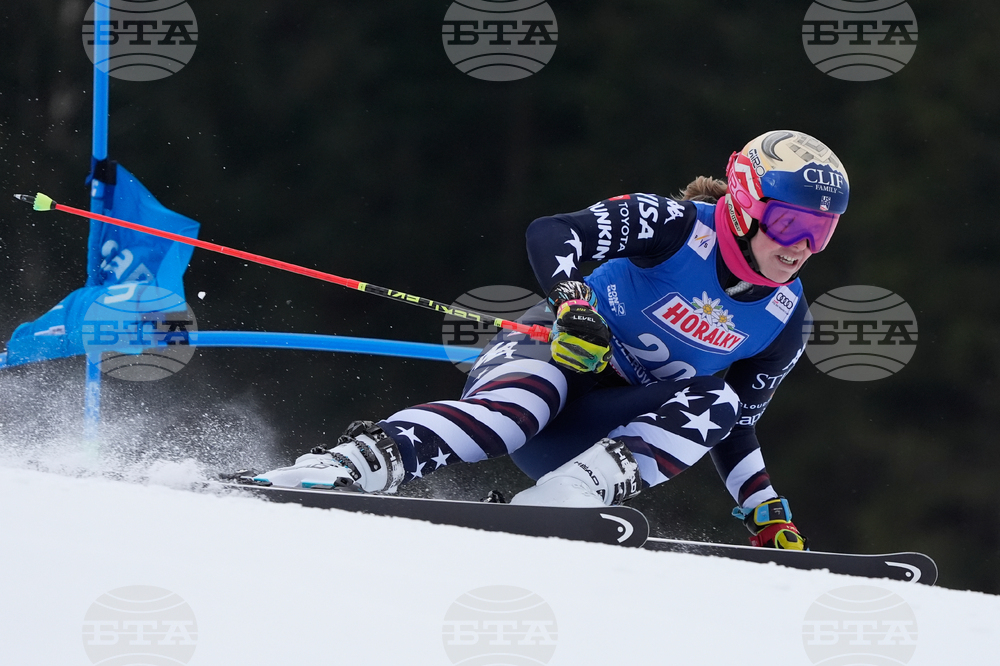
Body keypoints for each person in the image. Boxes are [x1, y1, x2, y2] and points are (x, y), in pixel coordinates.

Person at [255, 130, 850, 550]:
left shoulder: (785, 319)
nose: (800, 245)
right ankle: (349, 466)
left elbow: (733, 420)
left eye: (820, 232)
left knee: (716, 401)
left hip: (592, 437)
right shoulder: (671, 225)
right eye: (790, 222)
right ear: (744, 205)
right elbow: (554, 233)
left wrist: (761, 506)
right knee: (522, 405)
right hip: (547, 361)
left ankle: (569, 496)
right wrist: (573, 304)